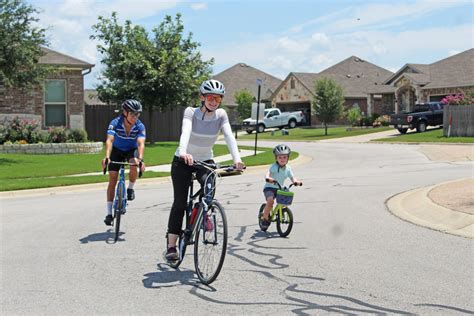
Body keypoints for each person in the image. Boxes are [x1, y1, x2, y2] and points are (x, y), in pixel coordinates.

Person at [165, 79, 245, 261]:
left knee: (209, 187)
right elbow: (185, 132)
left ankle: (204, 212)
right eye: (210, 97)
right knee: (179, 202)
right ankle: (171, 246)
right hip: (183, 160)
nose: (214, 101)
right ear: (202, 97)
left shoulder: (221, 115)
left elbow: (229, 136)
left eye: (218, 98)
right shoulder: (190, 112)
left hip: (205, 160)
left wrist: (237, 159)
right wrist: (184, 152)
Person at [101, 99, 146, 226]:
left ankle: (130, 189)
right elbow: (109, 140)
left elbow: (140, 143)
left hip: (131, 151)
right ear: (125, 113)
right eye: (133, 114)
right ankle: (109, 213)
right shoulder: (115, 123)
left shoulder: (140, 126)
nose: (135, 117)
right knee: (113, 179)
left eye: (137, 114)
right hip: (116, 150)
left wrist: (141, 159)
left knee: (133, 163)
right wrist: (107, 157)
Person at [260, 144, 302, 230]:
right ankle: (264, 218)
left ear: (287, 158)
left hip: (279, 188)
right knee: (270, 201)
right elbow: (268, 173)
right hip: (269, 188)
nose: (282, 159)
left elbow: (292, 177)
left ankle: (281, 213)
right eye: (280, 157)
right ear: (276, 158)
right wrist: (268, 178)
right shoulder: (274, 166)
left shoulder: (288, 168)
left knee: (284, 201)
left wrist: (295, 181)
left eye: (284, 157)